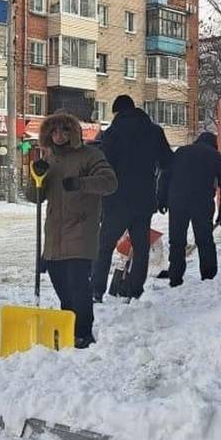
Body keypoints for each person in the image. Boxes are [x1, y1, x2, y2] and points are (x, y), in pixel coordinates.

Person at [26, 113, 117, 349]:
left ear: (73, 133)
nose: (59, 136)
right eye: (54, 132)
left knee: (78, 286)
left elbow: (110, 182)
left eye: (64, 131)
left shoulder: (90, 155)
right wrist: (36, 177)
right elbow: (33, 198)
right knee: (61, 285)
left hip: (81, 230)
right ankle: (68, 328)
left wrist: (81, 183)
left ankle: (83, 333)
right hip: (55, 235)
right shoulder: (49, 159)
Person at [91, 95, 173, 302]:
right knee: (141, 246)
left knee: (104, 246)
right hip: (144, 199)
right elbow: (167, 162)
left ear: (117, 112)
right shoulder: (155, 131)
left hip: (116, 198)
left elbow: (104, 166)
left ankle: (96, 290)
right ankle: (134, 289)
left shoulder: (111, 133)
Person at [158, 132, 221, 286]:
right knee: (205, 239)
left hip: (177, 201)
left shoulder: (180, 152)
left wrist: (161, 199)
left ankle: (175, 276)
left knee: (177, 240)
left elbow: (165, 175)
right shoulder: (216, 157)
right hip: (202, 202)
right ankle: (208, 276)